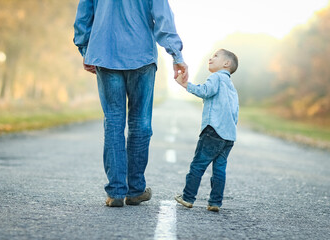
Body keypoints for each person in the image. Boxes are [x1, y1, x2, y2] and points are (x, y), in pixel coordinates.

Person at [73, 0, 188, 207]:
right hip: (141, 55)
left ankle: (116, 192)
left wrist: (85, 49)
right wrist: (176, 55)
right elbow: (163, 18)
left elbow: (83, 17)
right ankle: (135, 190)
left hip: (104, 53)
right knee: (141, 123)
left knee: (114, 122)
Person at [174, 49, 238, 212]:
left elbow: (205, 91)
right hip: (229, 135)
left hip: (213, 130)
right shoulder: (231, 86)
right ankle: (215, 202)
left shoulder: (216, 77)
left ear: (226, 63)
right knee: (219, 169)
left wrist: (185, 85)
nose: (211, 58)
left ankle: (188, 197)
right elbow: (235, 112)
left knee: (198, 165)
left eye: (216, 56)